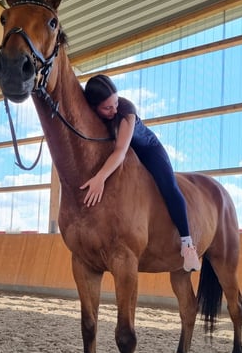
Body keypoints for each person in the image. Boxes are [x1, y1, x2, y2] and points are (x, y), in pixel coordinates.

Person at [81, 74, 202, 272]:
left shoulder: (126, 111)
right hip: (124, 154)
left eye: (115, 102)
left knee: (169, 187)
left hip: (148, 150)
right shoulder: (91, 112)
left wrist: (100, 177)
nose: (114, 109)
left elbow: (120, 151)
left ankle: (187, 245)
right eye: (108, 108)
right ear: (94, 107)